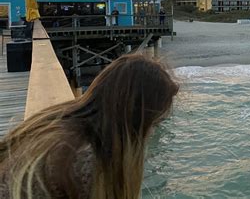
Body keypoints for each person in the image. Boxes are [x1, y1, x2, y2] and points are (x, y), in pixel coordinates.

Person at [0, 54, 179, 199]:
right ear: (136, 117)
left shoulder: (59, 122)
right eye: (154, 122)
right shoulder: (83, 158)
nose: (152, 131)